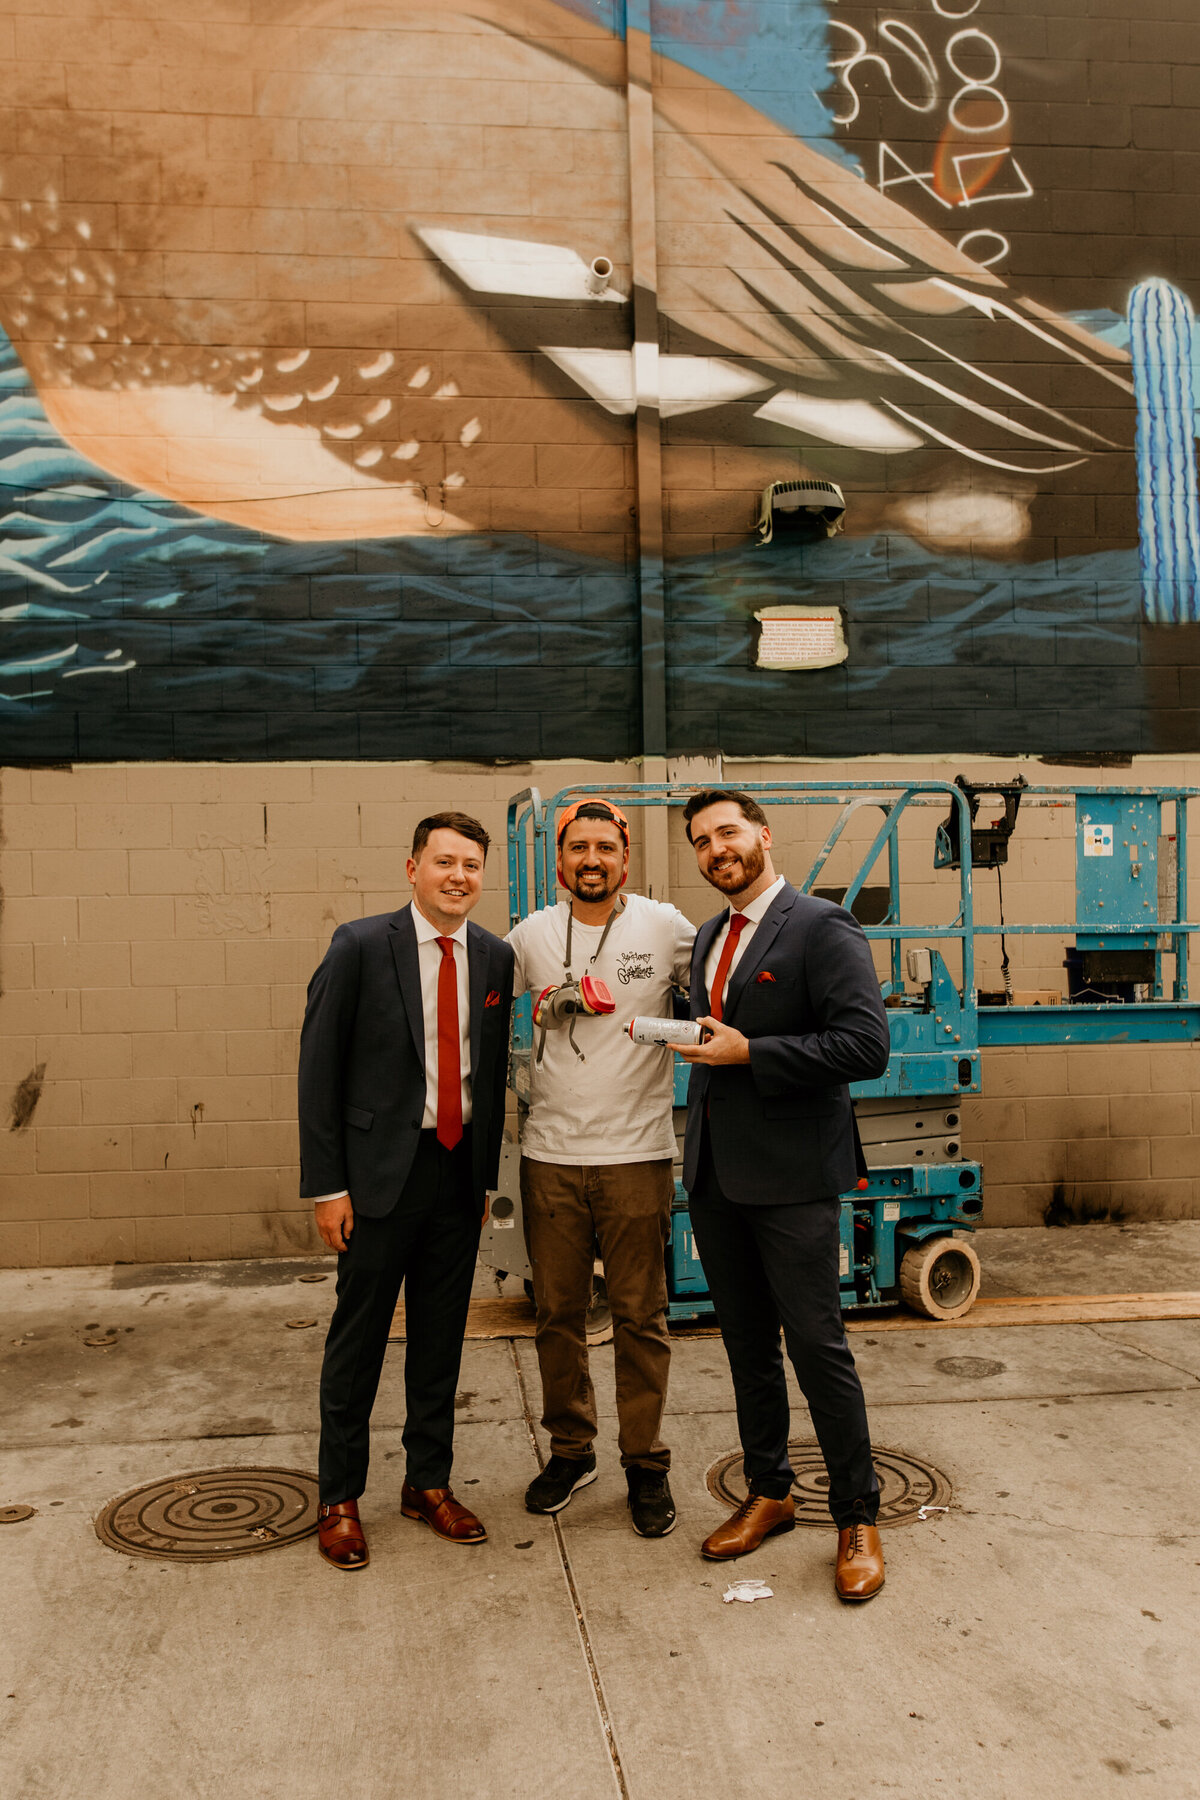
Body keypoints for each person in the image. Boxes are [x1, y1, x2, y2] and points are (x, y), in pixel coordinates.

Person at [676, 789, 892, 1601]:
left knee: (817, 1349)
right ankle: (769, 1492)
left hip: (794, 1178)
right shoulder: (708, 936)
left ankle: (857, 1516)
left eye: (727, 833)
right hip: (717, 1176)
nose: (715, 849)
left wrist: (748, 1053)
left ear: (763, 836)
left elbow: (864, 1044)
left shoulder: (821, 925)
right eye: (701, 841)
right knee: (747, 1352)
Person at [298, 812, 514, 1569]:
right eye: (445, 862)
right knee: (356, 1343)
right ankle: (339, 1497)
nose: (460, 876)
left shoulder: (494, 956)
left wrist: (485, 1178)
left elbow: (490, 1074)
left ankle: (428, 1484)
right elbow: (318, 1068)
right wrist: (328, 1187)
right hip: (375, 1178)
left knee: (439, 1341)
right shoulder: (360, 946)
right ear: (413, 868)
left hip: (456, 1176)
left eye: (472, 865)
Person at [508, 798, 696, 1537]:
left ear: (626, 859)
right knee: (556, 1314)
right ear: (560, 863)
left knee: (640, 1317)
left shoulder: (665, 926)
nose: (592, 859)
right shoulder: (530, 936)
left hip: (636, 1156)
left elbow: (729, 981)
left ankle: (645, 1464)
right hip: (549, 1156)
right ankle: (571, 1449)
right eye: (578, 848)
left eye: (605, 848)